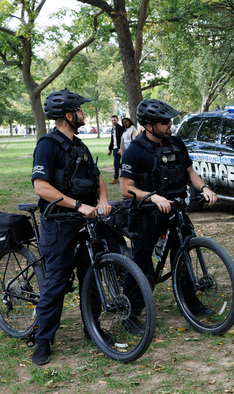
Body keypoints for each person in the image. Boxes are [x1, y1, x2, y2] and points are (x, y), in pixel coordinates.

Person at [120, 99, 218, 330]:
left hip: (177, 211)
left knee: (183, 257)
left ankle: (190, 302)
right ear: (148, 125)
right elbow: (126, 188)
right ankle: (130, 313)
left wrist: (204, 188)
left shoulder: (176, 144)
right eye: (164, 122)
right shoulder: (135, 150)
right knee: (141, 262)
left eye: (170, 121)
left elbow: (190, 172)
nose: (169, 125)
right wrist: (152, 196)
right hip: (147, 216)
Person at [31, 88, 112, 365]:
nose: (83, 114)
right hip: (59, 224)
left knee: (90, 274)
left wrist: (102, 200)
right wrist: (77, 205)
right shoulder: (47, 145)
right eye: (80, 110)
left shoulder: (80, 145)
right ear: (68, 115)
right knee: (56, 281)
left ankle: (93, 327)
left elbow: (97, 177)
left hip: (86, 222)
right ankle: (42, 341)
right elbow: (41, 187)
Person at [107, 115, 125, 184]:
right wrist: (110, 149)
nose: (113, 121)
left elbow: (122, 139)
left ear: (117, 120)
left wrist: (120, 148)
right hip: (114, 148)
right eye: (112, 120)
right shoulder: (112, 129)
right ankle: (124, 173)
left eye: (115, 120)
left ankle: (116, 178)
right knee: (118, 163)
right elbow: (112, 140)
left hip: (119, 148)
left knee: (116, 163)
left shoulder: (120, 128)